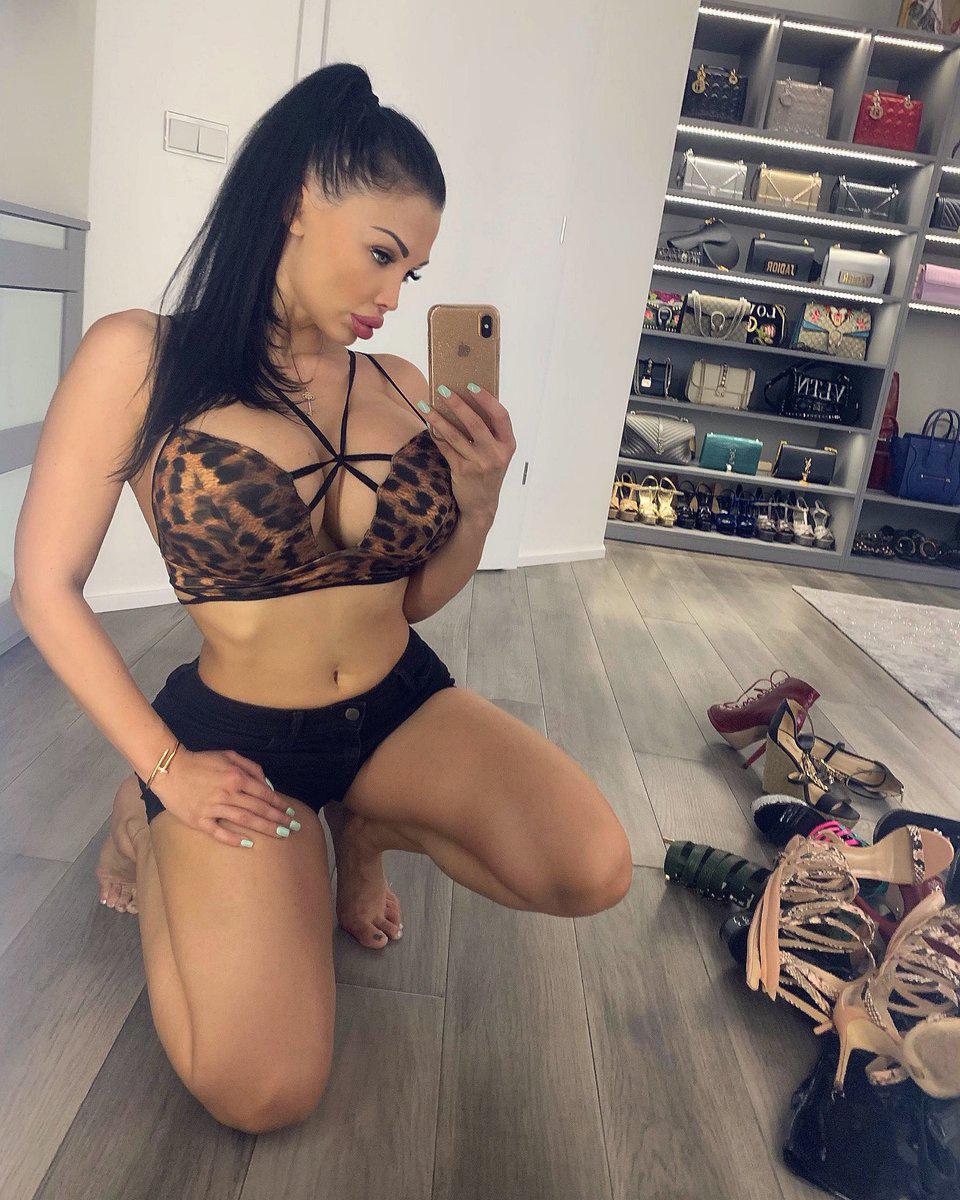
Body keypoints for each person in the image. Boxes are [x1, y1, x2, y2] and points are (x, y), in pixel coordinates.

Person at [12, 62, 633, 1134]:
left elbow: (416, 602)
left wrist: (478, 505)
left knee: (595, 869)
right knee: (264, 1089)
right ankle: (147, 827)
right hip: (234, 738)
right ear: (298, 199)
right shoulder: (141, 358)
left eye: (414, 273)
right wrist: (165, 768)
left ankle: (364, 827)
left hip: (397, 706)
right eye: (382, 255)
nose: (393, 298)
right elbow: (43, 588)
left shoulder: (401, 387)